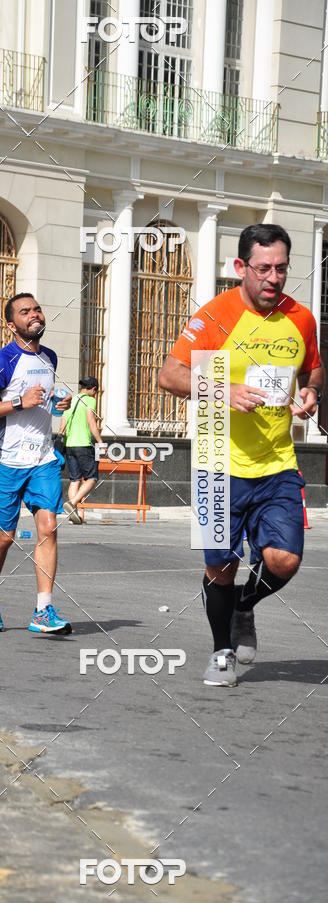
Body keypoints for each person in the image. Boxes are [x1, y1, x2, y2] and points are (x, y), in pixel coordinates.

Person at [159, 224, 324, 687]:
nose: (274, 278)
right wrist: (221, 389)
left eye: (282, 268)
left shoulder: (302, 319)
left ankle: (245, 606)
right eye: (264, 268)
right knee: (220, 566)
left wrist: (311, 391)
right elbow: (168, 376)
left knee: (284, 560)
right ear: (240, 267)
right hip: (217, 462)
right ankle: (222, 652)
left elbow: (313, 367)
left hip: (277, 464)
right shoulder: (215, 316)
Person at [0, 292, 73, 635]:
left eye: (37, 309)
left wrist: (58, 404)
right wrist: (19, 400)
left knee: (48, 528)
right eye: (25, 311)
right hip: (6, 460)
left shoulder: (50, 357)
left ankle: (43, 610)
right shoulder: (0, 362)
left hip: (43, 458)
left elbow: (42, 405)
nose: (34, 315)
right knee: (5, 535)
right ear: (11, 324)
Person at [59, 376, 104, 524]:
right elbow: (91, 421)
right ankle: (72, 504)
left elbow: (62, 426)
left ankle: (74, 517)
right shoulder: (90, 400)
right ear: (93, 389)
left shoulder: (70, 401)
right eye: (95, 391)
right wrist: (100, 441)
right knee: (92, 478)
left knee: (75, 480)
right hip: (83, 444)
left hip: (69, 445)